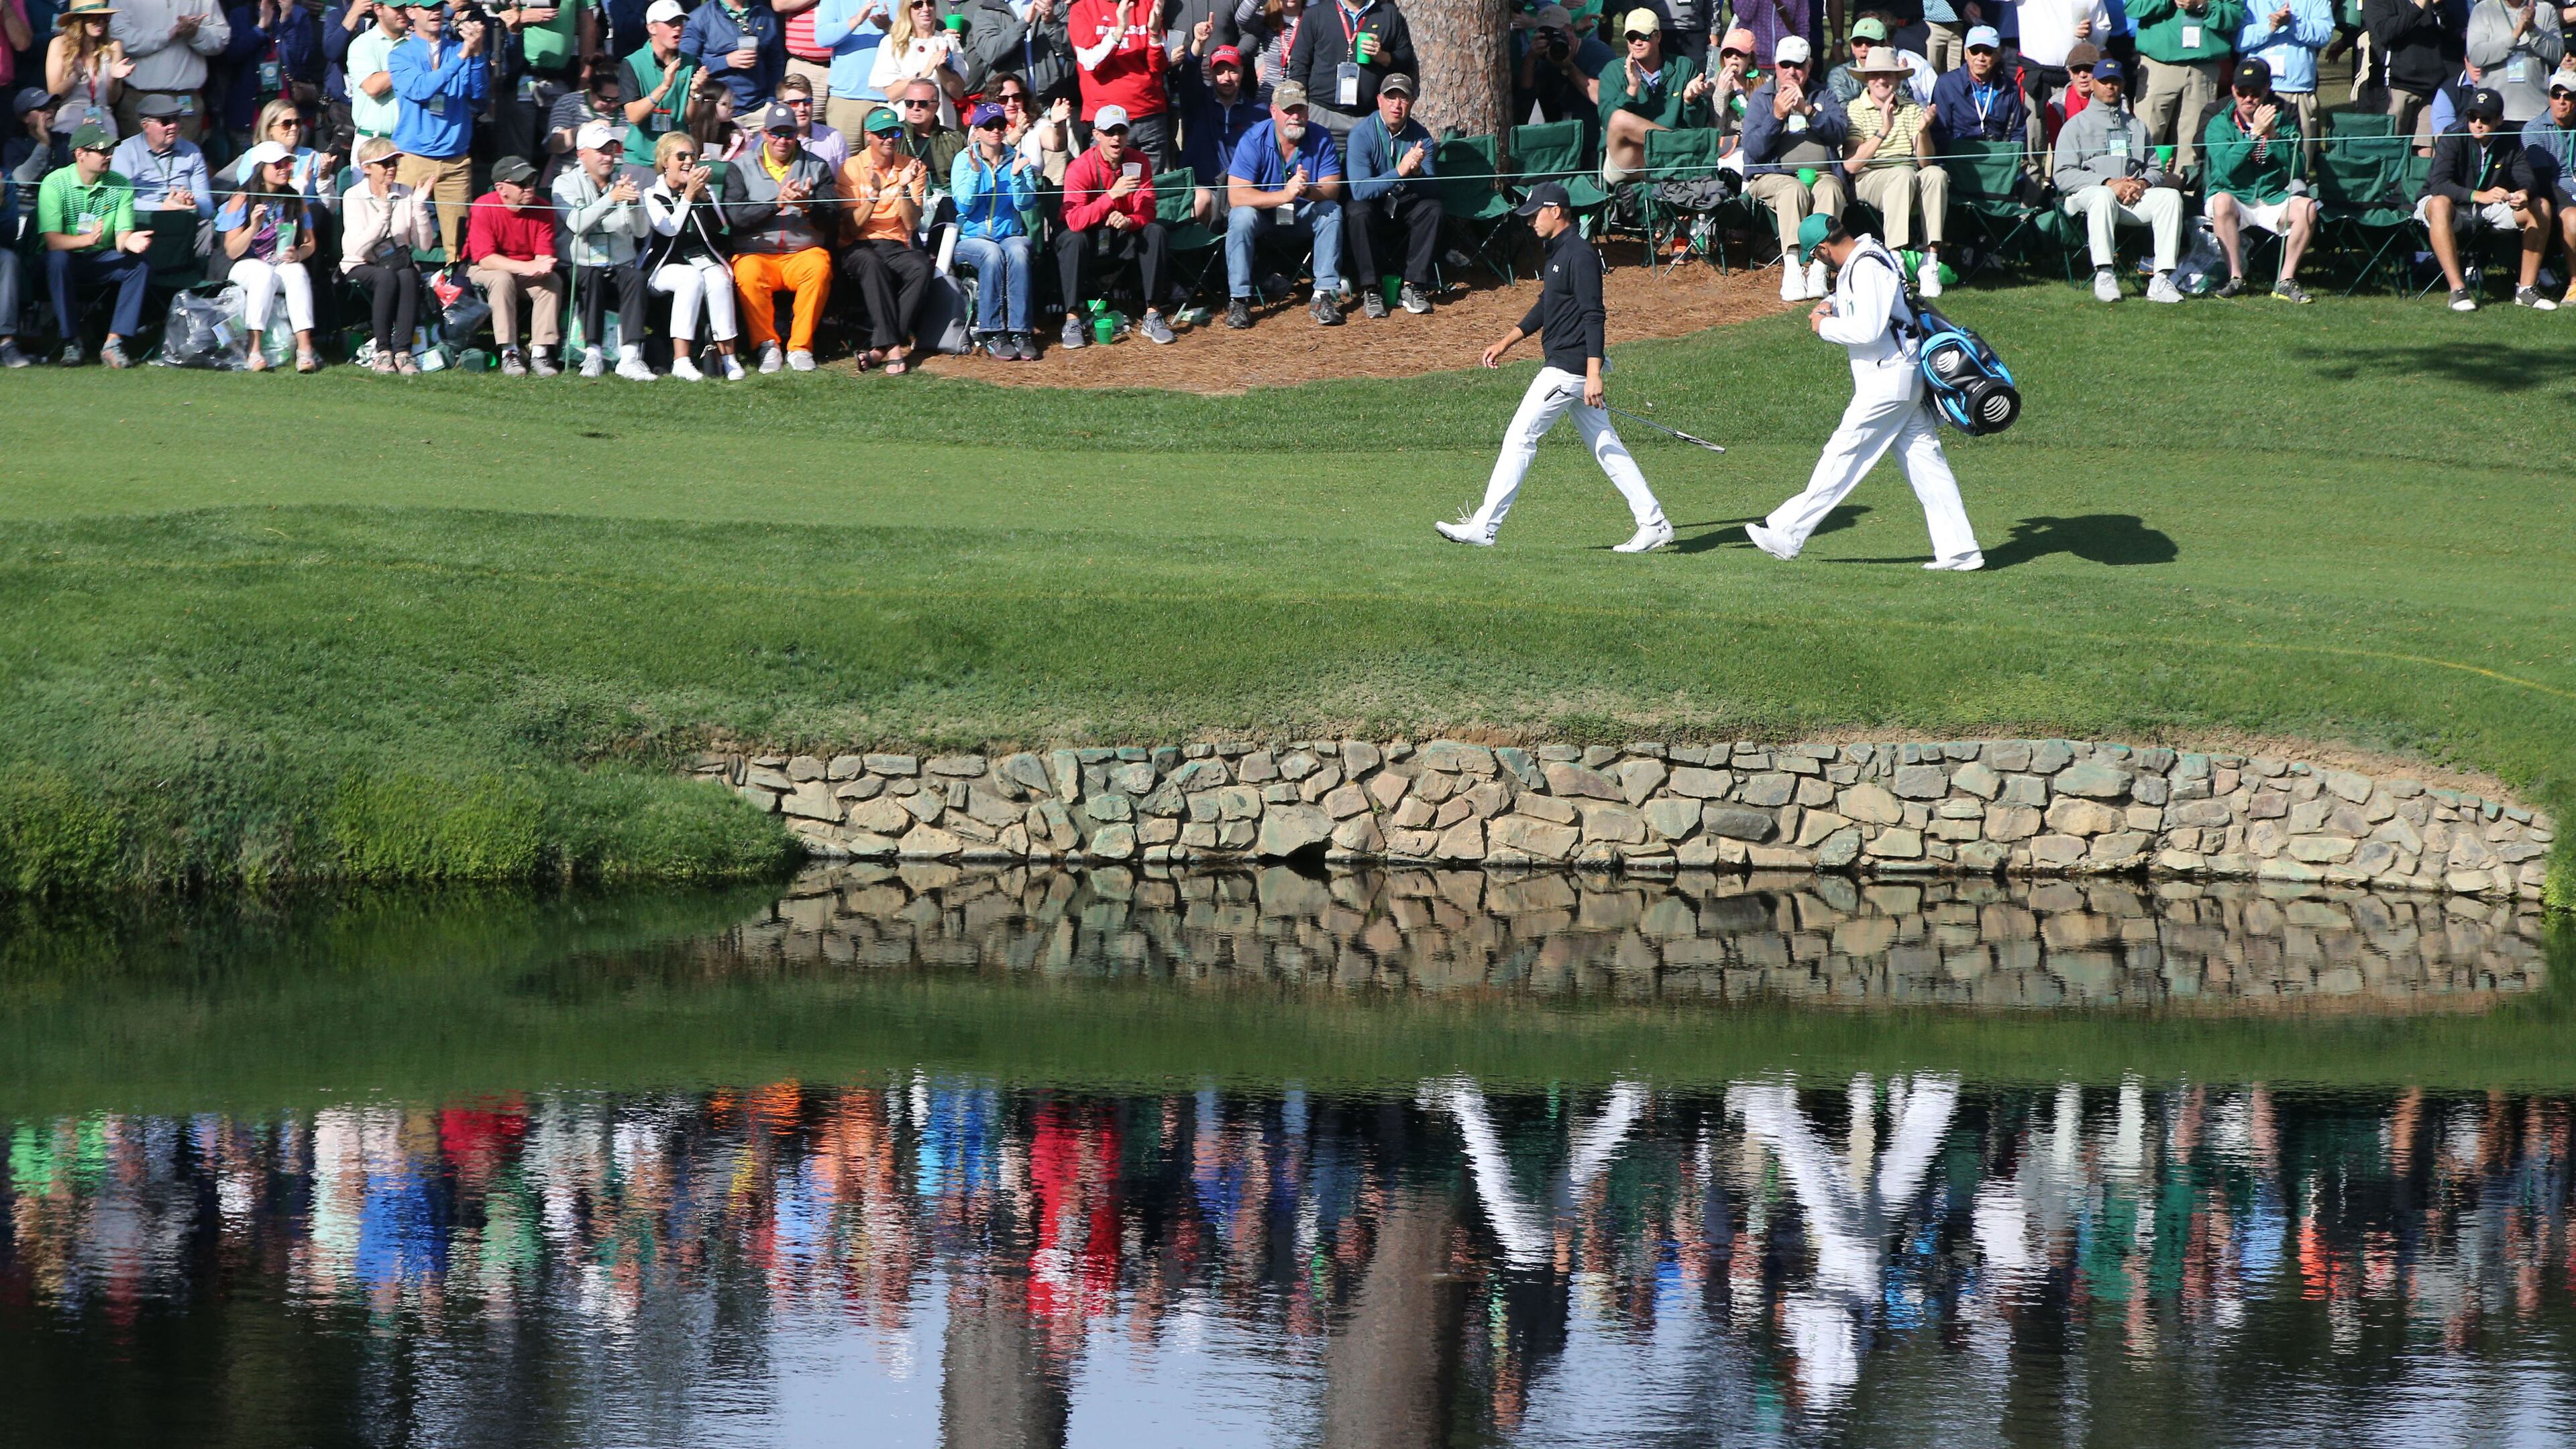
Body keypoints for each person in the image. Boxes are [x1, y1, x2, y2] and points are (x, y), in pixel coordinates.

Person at [1436, 182, 1673, 554]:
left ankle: (1486, 526)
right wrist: (1505, 342)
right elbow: (1547, 306)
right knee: (1605, 444)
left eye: (1535, 215)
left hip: (1569, 369)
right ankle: (1654, 522)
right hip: (1570, 367)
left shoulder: (1580, 255)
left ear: (1556, 211)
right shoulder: (1557, 252)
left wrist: (1593, 373)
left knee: (1520, 438)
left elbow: (1594, 315)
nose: (1530, 222)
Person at [1745, 213, 1982, 571]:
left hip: (1888, 380)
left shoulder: (1867, 267)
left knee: (1842, 454)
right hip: (1897, 375)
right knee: (1926, 464)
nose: (1817, 262)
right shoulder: (1868, 254)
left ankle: (1788, 534)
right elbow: (1856, 297)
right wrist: (1829, 302)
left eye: (1815, 256)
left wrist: (1824, 326)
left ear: (1824, 249)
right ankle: (1961, 549)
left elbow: (1867, 330)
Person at [2053, 58, 2186, 299]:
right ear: (2093, 84)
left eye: (2115, 82)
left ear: (2123, 85)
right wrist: (2108, 183)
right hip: (2087, 198)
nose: (2110, 87)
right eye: (2104, 81)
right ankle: (2104, 274)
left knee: (2170, 197)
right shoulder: (2075, 126)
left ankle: (2162, 279)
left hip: (2132, 197)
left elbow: (2155, 169)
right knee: (2103, 195)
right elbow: (2062, 175)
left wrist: (2141, 184)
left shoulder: (2137, 126)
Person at [1222, 80, 1343, 327]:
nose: (1296, 117)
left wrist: (1307, 190)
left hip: (1302, 215)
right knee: (1241, 216)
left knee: (1332, 211)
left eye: (1301, 110)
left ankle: (1323, 296)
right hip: (1265, 219)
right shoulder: (1253, 139)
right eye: (1289, 110)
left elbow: (1333, 189)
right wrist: (1284, 196)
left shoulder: (1321, 137)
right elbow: (1236, 196)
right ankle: (1240, 300)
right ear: (1274, 111)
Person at [1056, 102, 1178, 343]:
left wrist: (1129, 221)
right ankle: (1072, 320)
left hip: (1120, 234)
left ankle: (1153, 314)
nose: (1116, 138)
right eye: (1109, 132)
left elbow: (1148, 209)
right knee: (1073, 239)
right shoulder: (1079, 168)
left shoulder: (1138, 161)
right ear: (1096, 135)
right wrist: (1111, 195)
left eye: (1121, 131)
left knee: (1155, 232)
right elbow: (1075, 220)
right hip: (1086, 235)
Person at [1741, 36, 1850, 301]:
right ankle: (1792, 268)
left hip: (1822, 174)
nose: (1792, 72)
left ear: (1809, 66)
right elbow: (1753, 150)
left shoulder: (1822, 94)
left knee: (1831, 190)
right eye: (1786, 65)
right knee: (1793, 189)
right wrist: (1777, 117)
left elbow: (1840, 133)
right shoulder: (1762, 98)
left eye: (1799, 65)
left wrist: (1809, 111)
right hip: (1773, 176)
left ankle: (1820, 268)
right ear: (1776, 66)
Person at [729, 95, 834, 368]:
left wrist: (807, 205)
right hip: (757, 253)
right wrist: (777, 203)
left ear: (797, 134)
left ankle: (800, 347)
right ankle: (767, 345)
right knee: (747, 271)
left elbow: (832, 220)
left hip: (802, 252)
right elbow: (737, 219)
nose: (782, 140)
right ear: (764, 134)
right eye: (776, 134)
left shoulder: (817, 166)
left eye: (788, 134)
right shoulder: (740, 166)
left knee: (820, 264)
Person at [2418, 84, 2548, 306]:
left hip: (2490, 206)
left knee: (2541, 205)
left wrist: (2525, 193)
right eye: (2472, 116)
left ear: (2499, 120)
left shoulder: (2510, 139)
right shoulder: (2453, 134)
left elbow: (2526, 176)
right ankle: (2458, 290)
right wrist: (2478, 195)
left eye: (2485, 118)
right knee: (2439, 204)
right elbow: (2438, 185)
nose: (2477, 123)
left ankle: (2526, 289)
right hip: (2449, 204)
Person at [2201, 57, 2318, 299]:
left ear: (2266, 90)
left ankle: (2286, 280)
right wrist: (2254, 135)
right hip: (2235, 197)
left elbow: (2298, 167)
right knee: (2220, 201)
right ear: (2233, 90)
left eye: (2254, 92)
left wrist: (2274, 136)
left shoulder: (2283, 122)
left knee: (2307, 207)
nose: (2248, 99)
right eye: (2242, 92)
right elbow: (2225, 167)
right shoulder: (2219, 123)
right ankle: (2236, 278)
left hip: (2271, 198)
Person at [37, 121, 152, 366]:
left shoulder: (121, 184)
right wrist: (87, 239)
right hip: (62, 259)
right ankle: (71, 340)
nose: (109, 156)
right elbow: (52, 242)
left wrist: (129, 241)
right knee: (58, 260)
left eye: (110, 150)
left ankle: (113, 343)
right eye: (102, 151)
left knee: (138, 265)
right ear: (80, 154)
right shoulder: (54, 183)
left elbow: (122, 236)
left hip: (100, 258)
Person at [641, 129, 748, 378]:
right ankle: (681, 361)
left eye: (692, 155)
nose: (689, 161)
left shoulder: (704, 190)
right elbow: (669, 230)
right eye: (681, 156)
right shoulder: (652, 195)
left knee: (719, 277)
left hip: (699, 259)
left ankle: (729, 358)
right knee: (690, 278)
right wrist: (688, 197)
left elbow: (720, 225)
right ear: (665, 162)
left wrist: (702, 196)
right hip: (661, 266)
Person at [554, 116, 656, 376]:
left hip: (620, 263)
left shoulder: (624, 181)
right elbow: (577, 223)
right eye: (601, 151)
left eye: (611, 150)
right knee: (593, 277)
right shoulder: (564, 184)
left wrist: (634, 205)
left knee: (635, 277)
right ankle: (593, 354)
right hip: (581, 265)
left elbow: (642, 231)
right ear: (582, 154)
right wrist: (611, 198)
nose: (608, 157)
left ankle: (630, 357)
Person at [390, 0, 489, 263]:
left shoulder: (460, 49)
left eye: (439, 6)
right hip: (412, 158)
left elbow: (479, 96)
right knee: (401, 237)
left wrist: (477, 54)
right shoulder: (400, 54)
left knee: (458, 248)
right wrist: (462, 57)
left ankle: (453, 297)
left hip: (455, 160)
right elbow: (421, 89)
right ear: (411, 12)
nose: (435, 11)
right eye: (427, 6)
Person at [1843, 52, 1949, 294]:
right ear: (1867, 79)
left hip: (1909, 176)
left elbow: (1925, 162)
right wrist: (1884, 129)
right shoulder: (1855, 108)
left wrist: (1922, 132)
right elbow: (1851, 165)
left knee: (1936, 174)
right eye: (1875, 75)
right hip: (1870, 178)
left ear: (1898, 79)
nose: (1881, 80)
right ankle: (1895, 258)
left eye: (1888, 74)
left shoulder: (1911, 108)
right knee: (1902, 174)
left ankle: (1929, 262)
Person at [837, 105, 930, 371]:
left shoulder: (912, 168)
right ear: (868, 135)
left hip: (895, 243)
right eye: (882, 133)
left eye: (894, 133)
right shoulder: (851, 168)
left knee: (920, 266)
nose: (889, 138)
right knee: (870, 262)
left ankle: (879, 348)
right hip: (858, 244)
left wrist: (902, 186)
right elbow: (852, 228)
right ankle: (894, 348)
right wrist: (873, 196)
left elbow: (912, 223)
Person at [213, 139, 321, 370]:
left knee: (297, 272)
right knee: (263, 273)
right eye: (278, 165)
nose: (286, 168)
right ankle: (254, 350)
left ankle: (305, 350)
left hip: (279, 261)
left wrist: (298, 254)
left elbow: (310, 244)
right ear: (261, 168)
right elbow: (232, 250)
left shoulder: (294, 198)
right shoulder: (241, 199)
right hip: (241, 262)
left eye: (288, 164)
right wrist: (253, 227)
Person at [1343, 67, 1438, 315]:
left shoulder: (1421, 137)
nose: (1397, 104)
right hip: (1372, 204)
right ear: (1379, 100)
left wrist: (1416, 172)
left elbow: (1432, 187)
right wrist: (1400, 171)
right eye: (1391, 97)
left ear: (1412, 102)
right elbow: (1360, 190)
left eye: (1404, 98)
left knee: (1432, 208)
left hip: (1404, 202)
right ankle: (1371, 289)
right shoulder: (1361, 135)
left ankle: (1413, 285)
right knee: (1357, 211)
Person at [950, 99, 1038, 358]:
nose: (995, 130)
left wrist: (1018, 178)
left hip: (1009, 234)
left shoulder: (1018, 159)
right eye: (988, 125)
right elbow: (964, 207)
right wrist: (976, 174)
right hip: (971, 238)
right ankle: (993, 331)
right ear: (976, 131)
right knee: (991, 254)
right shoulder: (963, 160)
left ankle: (1021, 332)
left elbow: (1025, 204)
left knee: (1019, 252)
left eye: (1000, 124)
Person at [339, 133, 434, 372]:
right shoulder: (354, 195)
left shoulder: (405, 192)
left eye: (395, 163)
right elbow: (358, 248)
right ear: (367, 168)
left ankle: (403, 352)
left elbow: (423, 246)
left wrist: (420, 208)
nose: (392, 168)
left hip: (397, 262)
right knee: (387, 277)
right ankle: (383, 352)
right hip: (360, 263)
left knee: (409, 275)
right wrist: (383, 214)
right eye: (385, 163)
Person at [466, 153, 564, 374]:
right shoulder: (483, 207)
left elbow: (543, 255)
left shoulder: (543, 209)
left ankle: (540, 353)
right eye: (522, 183)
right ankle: (509, 352)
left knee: (552, 281)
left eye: (531, 181)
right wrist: (528, 267)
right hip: (484, 269)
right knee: (502, 279)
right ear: (501, 189)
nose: (529, 188)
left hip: (523, 272)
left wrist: (542, 265)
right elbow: (486, 259)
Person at [1597, 8, 1712, 184]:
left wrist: (1691, 101)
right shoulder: (1613, 70)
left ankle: (1684, 148)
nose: (1637, 42)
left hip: (1670, 160)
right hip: (1629, 158)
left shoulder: (1683, 67)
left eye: (1644, 36)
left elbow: (1697, 123)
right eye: (1631, 37)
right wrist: (1632, 90)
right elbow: (1608, 122)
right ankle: (1687, 146)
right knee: (1619, 118)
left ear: (1658, 36)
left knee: (1683, 149)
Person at [1283, 0, 1411, 154]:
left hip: (1368, 118)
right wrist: (1301, 109)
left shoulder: (1388, 14)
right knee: (1322, 175)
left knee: (1364, 176)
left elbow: (1406, 61)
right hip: (1321, 115)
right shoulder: (1315, 14)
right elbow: (1299, 66)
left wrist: (1383, 56)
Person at [2132, 0, 2245, 172]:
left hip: (2203, 69)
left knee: (2193, 145)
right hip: (2158, 64)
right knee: (2145, 136)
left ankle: (2186, 193)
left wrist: (2203, 5)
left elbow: (2235, 16)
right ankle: (2138, 188)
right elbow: (2133, 7)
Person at [109, 0, 228, 142]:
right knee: (139, 161)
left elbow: (221, 39)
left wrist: (195, 34)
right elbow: (118, 37)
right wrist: (167, 35)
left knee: (186, 162)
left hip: (185, 101)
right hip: (139, 99)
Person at [1071, 0, 1172, 167]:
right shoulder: (1082, 9)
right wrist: (1119, 31)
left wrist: (1155, 33)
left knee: (1149, 189)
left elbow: (1160, 66)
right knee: (1110, 189)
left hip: (1149, 116)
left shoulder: (1147, 5)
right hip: (1107, 122)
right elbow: (1091, 64)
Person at [2237, 0, 2332, 169]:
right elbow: (2239, 39)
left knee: (2299, 159)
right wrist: (2270, 27)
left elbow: (2324, 34)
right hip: (2255, 93)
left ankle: (2298, 193)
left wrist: (2292, 23)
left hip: (2298, 91)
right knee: (2253, 159)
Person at [1174, 38, 1261, 221]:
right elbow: (1189, 75)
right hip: (1204, 188)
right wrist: (1198, 43)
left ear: (1242, 71)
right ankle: (1199, 251)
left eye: (1233, 71)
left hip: (1243, 191)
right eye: (1220, 72)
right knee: (1200, 200)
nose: (1227, 78)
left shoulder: (1259, 113)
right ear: (1211, 73)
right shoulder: (1195, 103)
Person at [215, 0, 320, 152]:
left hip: (287, 117)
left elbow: (301, 59)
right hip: (249, 114)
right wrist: (260, 28)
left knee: (287, 168)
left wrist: (286, 19)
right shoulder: (240, 15)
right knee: (250, 169)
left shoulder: (298, 15)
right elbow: (232, 55)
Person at [1516, 3, 1613, 156]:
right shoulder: (1544, 61)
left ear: (1570, 29)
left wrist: (1569, 67)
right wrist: (1530, 57)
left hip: (1594, 145)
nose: (1552, 40)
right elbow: (1525, 97)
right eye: (1546, 35)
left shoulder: (1597, 52)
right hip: (1559, 148)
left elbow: (1606, 97)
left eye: (1557, 33)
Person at [2366, 0, 2466, 142]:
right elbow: (2384, 32)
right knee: (2391, 149)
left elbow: (2448, 32)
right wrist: (2417, 7)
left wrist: (2439, 8)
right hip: (2396, 87)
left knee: (2425, 154)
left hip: (2431, 88)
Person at [109, 91, 211, 225]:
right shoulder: (125, 151)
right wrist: (162, 208)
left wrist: (191, 202)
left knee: (207, 227)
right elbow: (118, 200)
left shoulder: (192, 152)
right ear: (146, 126)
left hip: (184, 219)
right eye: (165, 121)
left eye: (176, 119)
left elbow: (207, 207)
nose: (173, 125)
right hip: (144, 221)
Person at [621, 0, 696, 164]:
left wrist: (696, 93)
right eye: (671, 23)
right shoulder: (633, 63)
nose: (678, 28)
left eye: (680, 23)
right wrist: (664, 87)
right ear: (652, 28)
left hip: (677, 162)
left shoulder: (691, 63)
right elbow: (633, 116)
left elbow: (690, 118)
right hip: (641, 160)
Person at [48, 0, 130, 146]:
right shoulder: (59, 44)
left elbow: (112, 99)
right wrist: (75, 77)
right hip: (70, 121)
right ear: (79, 20)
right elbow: (54, 94)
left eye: (106, 17)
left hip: (104, 122)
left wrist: (115, 80)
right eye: (94, 17)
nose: (101, 23)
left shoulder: (114, 47)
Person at [868, 0, 964, 125]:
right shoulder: (892, 42)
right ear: (908, 9)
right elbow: (892, 93)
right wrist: (924, 74)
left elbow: (958, 92)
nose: (926, 9)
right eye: (918, 4)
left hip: (941, 124)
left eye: (930, 3)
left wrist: (941, 69)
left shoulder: (947, 41)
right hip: (904, 123)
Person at [2467, 0, 2563, 123]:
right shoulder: (2483, 9)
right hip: (2493, 116)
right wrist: (2514, 36)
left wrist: (2533, 30)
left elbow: (2557, 55)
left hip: (2536, 113)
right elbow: (2476, 56)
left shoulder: (2546, 10)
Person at [2524, 69, 2576, 298]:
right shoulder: (2533, 130)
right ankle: (2575, 284)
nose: (2562, 101)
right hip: (2555, 196)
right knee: (2574, 218)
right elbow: (2542, 181)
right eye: (2556, 95)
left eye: (2569, 96)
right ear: (2549, 97)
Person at [227, 97, 332, 205]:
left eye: (297, 122)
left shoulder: (313, 157)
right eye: (287, 124)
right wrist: (300, 184)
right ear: (269, 129)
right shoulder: (254, 156)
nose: (294, 128)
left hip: (309, 218)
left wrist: (324, 180)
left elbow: (330, 208)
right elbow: (252, 199)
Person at [1931, 24, 2029, 141]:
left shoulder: (2009, 86)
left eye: (1988, 52)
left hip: (1998, 154)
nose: (1981, 57)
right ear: (1966, 53)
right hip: (1959, 153)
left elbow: (2018, 132)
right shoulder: (1946, 84)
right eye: (1975, 51)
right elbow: (1939, 132)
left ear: (1998, 55)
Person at [808, 0, 888, 140]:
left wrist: (889, 27)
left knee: (888, 161)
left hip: (887, 98)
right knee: (844, 160)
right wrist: (857, 20)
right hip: (846, 98)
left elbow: (912, 38)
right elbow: (822, 38)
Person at [682, 0, 784, 110]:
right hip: (716, 110)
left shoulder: (765, 15)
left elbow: (776, 64)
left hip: (759, 109)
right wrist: (726, 61)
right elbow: (686, 66)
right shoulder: (699, 17)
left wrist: (771, 100)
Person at [1826, 15, 1933, 103]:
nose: (1863, 48)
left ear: (1884, 45)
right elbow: (1843, 112)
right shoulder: (1840, 75)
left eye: (1870, 43)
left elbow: (1905, 108)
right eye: (1858, 43)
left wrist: (1899, 80)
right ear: (1852, 47)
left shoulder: (1908, 66)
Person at [341, 0, 406, 144]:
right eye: (397, 8)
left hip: (407, 142)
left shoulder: (412, 44)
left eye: (405, 7)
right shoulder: (363, 43)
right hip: (372, 141)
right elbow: (373, 87)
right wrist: (409, 65)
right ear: (379, 9)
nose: (403, 12)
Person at [773, 68, 845, 164]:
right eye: (794, 103)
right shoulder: (771, 140)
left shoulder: (833, 137)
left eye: (807, 102)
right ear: (780, 105)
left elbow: (841, 178)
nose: (802, 109)